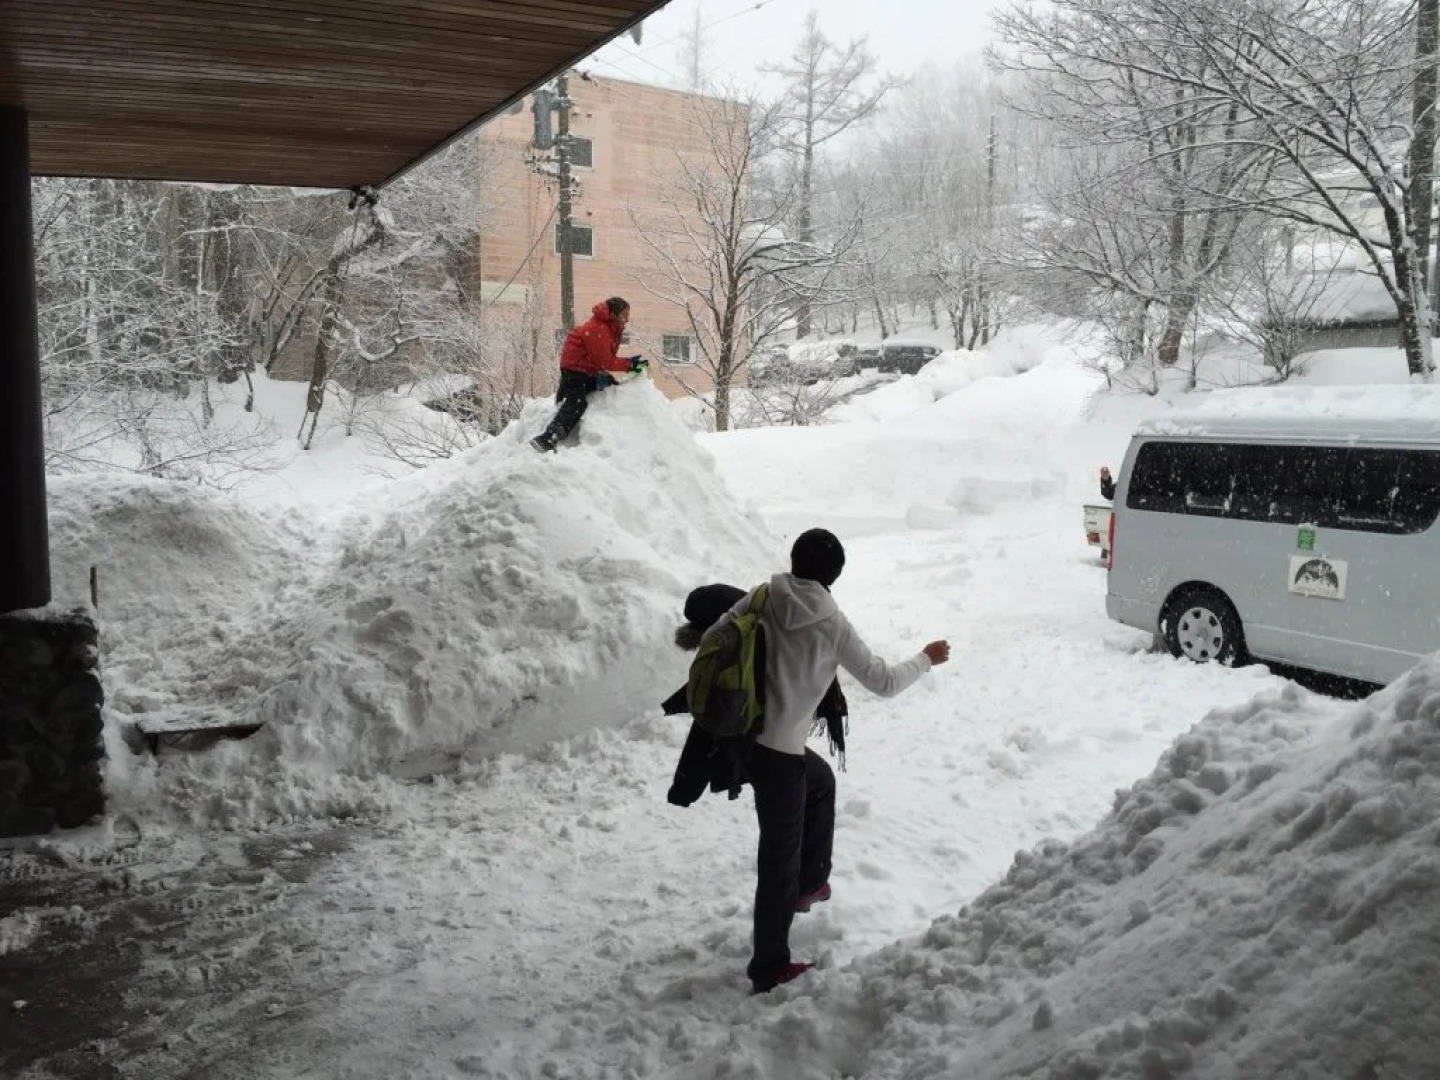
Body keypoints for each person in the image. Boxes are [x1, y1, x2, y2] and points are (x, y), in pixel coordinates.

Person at [712, 528, 950, 994]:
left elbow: (720, 633)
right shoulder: (831, 624)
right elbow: (882, 681)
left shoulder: (764, 595)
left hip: (747, 738)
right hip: (778, 754)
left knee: (819, 783)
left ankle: (808, 882)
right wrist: (925, 657)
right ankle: (769, 968)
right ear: (835, 574)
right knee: (776, 861)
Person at [530, 297, 647, 452]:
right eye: (624, 315)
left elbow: (602, 360)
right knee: (577, 402)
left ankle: (564, 396)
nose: (627, 319)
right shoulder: (599, 328)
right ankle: (547, 438)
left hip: (586, 368)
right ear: (613, 314)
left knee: (610, 386)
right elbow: (605, 361)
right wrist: (629, 365)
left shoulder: (609, 327)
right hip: (575, 369)